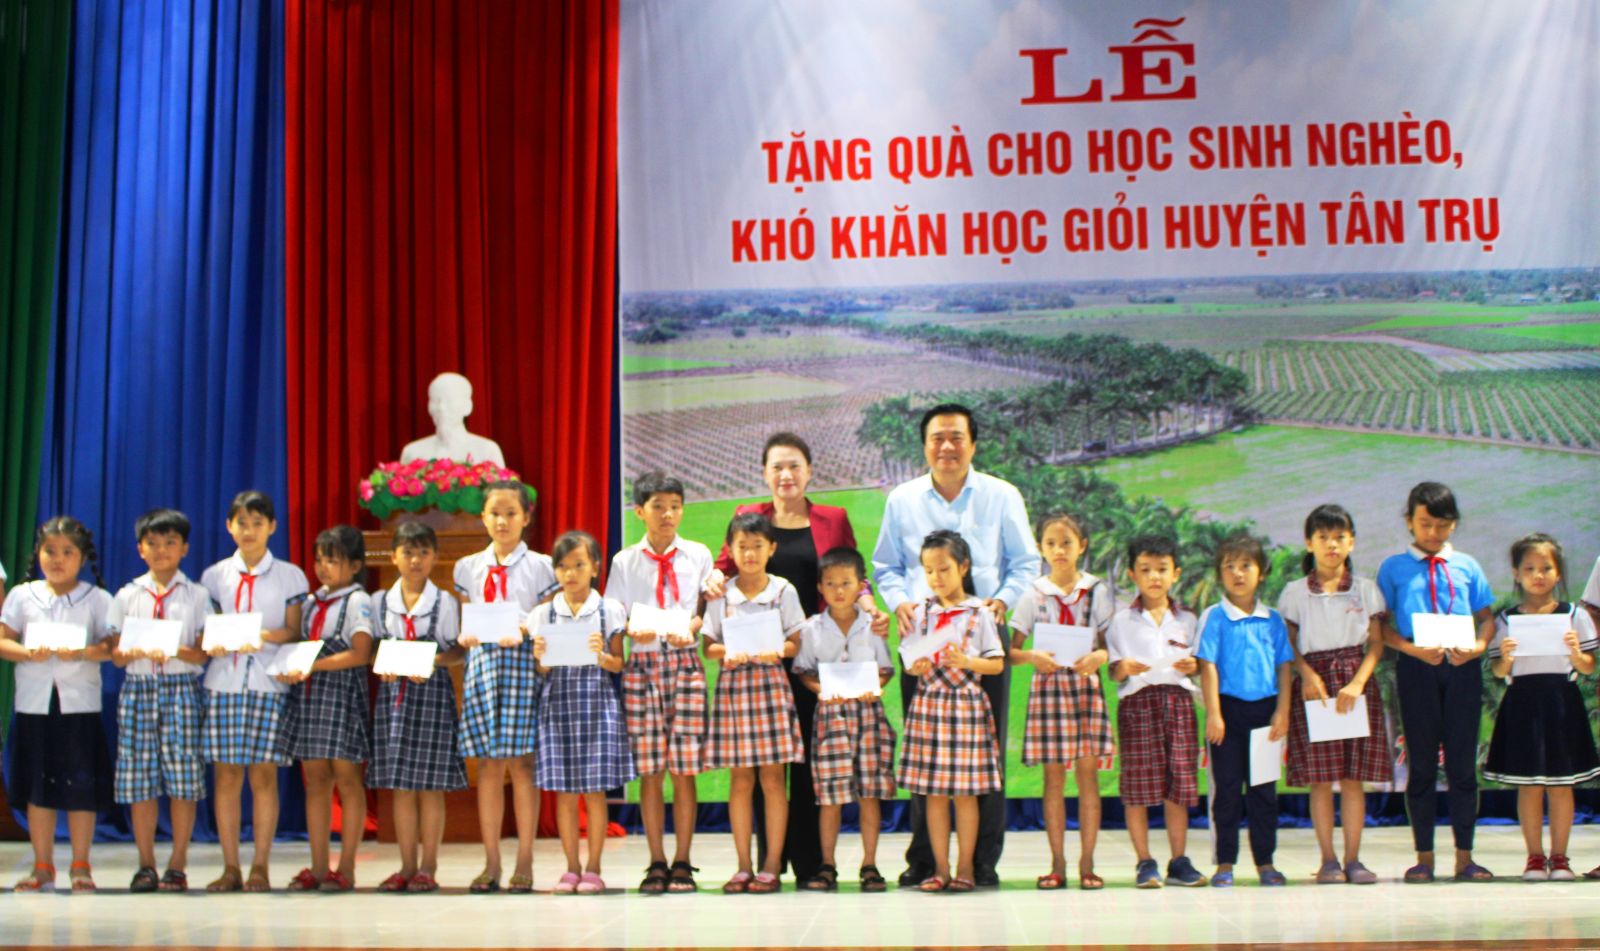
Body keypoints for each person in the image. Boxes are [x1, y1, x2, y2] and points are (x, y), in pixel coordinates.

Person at [872, 403, 1039, 887]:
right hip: (922, 637)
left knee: (983, 752)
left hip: (983, 629)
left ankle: (980, 861)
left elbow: (1025, 562)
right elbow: (885, 565)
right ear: (925, 445)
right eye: (937, 438)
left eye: (956, 437)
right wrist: (901, 601)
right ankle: (927, 860)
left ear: (973, 443)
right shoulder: (903, 499)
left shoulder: (1001, 495)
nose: (947, 446)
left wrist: (1002, 603)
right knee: (926, 751)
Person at [708, 432, 882, 886]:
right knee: (766, 762)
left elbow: (852, 574)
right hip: (758, 662)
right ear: (765, 474)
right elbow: (727, 570)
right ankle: (769, 862)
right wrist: (710, 576)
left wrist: (869, 608)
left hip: (813, 656)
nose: (786, 475)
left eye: (795, 466)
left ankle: (810, 863)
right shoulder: (750, 520)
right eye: (777, 467)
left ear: (809, 472)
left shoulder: (833, 517)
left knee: (809, 758)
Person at [1377, 481, 1496, 883]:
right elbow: (1381, 628)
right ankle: (1424, 857)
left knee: (1463, 766)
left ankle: (1465, 857)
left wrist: (1478, 647)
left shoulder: (1466, 566)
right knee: (1422, 765)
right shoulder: (1393, 567)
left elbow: (1487, 616)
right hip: (1416, 669)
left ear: (1454, 525)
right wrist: (1411, 651)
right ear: (1409, 521)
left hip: (1462, 669)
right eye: (1425, 524)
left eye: (1442, 526)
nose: (1433, 534)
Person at [606, 471, 714, 893]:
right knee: (650, 771)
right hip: (643, 668)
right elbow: (615, 610)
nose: (668, 514)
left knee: (684, 769)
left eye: (674, 505)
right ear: (639, 511)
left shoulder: (698, 555)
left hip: (685, 665)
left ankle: (684, 860)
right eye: (658, 506)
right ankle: (655, 860)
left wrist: (693, 625)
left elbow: (705, 610)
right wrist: (632, 627)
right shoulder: (624, 561)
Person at [0, 516, 119, 892]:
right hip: (34, 702)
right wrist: (26, 652)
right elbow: (3, 640)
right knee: (38, 785)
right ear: (38, 553)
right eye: (49, 551)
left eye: (68, 552)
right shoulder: (22, 595)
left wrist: (82, 651)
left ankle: (81, 865)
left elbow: (111, 648)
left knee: (80, 783)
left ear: (82, 558)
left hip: (79, 704)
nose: (57, 559)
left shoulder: (97, 598)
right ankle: (42, 866)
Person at [199, 490, 308, 892]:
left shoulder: (289, 575)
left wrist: (258, 635)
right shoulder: (213, 576)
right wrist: (215, 640)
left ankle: (260, 864)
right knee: (226, 776)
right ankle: (230, 867)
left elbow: (293, 630)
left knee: (263, 776)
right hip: (223, 682)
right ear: (229, 526)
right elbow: (206, 631)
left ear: (272, 527)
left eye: (257, 523)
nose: (249, 531)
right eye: (241, 523)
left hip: (267, 681)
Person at [454, 478, 558, 894]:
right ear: (483, 517)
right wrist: (467, 634)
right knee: (489, 767)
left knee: (523, 765)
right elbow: (467, 618)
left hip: (522, 666)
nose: (502, 521)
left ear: (526, 518)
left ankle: (526, 859)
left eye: (511, 513)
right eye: (495, 513)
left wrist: (524, 626)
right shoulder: (467, 567)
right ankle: (491, 861)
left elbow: (548, 618)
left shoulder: (541, 566)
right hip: (482, 668)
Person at [1279, 504, 1389, 885]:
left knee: (1354, 778)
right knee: (1321, 778)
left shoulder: (1366, 589)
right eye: (1323, 537)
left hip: (1354, 684)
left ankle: (1354, 859)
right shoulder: (1294, 592)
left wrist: (1358, 683)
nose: (1332, 545)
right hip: (1315, 689)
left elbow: (1376, 645)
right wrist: (1307, 675)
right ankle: (1328, 860)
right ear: (1309, 543)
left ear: (1352, 542)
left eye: (1339, 537)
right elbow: (1288, 644)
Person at [1482, 533, 1600, 881]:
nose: (1538, 575)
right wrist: (1505, 658)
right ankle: (1535, 857)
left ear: (1559, 573)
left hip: (1562, 702)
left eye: (1546, 568)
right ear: (1516, 574)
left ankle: (1560, 858)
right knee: (1530, 785)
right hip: (1523, 703)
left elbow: (1588, 666)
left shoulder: (1574, 615)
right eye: (1529, 568)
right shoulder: (1507, 619)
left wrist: (1577, 654)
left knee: (1561, 785)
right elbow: (1499, 671)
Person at [1008, 513, 1114, 890]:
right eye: (1051, 543)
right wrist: (1034, 657)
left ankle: (1088, 862)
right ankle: (1057, 863)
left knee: (1088, 776)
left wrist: (1098, 658)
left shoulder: (1096, 591)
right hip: (1050, 690)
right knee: (1053, 779)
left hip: (1085, 688)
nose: (1059, 550)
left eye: (1067, 542)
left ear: (1082, 546)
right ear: (1040, 548)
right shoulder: (1032, 593)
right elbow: (1011, 650)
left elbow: (1110, 644)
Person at [702, 512, 807, 893]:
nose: (749, 553)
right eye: (742, 546)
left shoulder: (783, 591)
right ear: (730, 550)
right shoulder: (722, 594)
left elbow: (797, 641)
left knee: (774, 779)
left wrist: (777, 649)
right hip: (734, 691)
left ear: (771, 548)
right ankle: (743, 866)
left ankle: (772, 864)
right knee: (741, 780)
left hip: (771, 689)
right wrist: (726, 652)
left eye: (757, 546)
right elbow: (708, 646)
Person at [896, 530, 1006, 893]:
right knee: (934, 793)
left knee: (966, 793)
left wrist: (967, 660)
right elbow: (909, 658)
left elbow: (997, 664)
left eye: (943, 569)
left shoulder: (980, 613)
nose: (936, 578)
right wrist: (917, 666)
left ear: (963, 566)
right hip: (930, 705)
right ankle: (939, 869)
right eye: (929, 570)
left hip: (966, 707)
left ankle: (966, 869)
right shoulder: (922, 612)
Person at [110, 508, 211, 892]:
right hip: (137, 690)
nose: (161, 550)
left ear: (184, 548)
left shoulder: (198, 595)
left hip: (181, 690)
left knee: (183, 777)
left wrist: (171, 649)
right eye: (152, 543)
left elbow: (203, 653)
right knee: (139, 779)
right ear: (140, 549)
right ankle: (146, 864)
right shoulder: (127, 594)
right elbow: (116, 654)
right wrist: (133, 650)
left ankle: (178, 863)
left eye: (170, 542)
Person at [532, 531, 635, 894]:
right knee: (563, 792)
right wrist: (541, 658)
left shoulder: (609, 609)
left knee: (594, 793)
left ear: (595, 567)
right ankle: (571, 867)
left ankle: (593, 867)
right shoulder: (543, 612)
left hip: (597, 705)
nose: (570, 574)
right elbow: (542, 670)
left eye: (578, 564)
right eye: (562, 566)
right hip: (558, 707)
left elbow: (620, 664)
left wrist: (603, 656)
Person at [792, 547, 896, 893]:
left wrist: (876, 687)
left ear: (860, 586)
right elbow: (803, 669)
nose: (839, 590)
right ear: (820, 586)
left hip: (868, 716)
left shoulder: (874, 627)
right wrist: (819, 688)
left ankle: (870, 864)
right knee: (830, 796)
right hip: (831, 717)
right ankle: (828, 865)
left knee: (869, 792)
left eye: (846, 583)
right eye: (831, 583)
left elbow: (886, 669)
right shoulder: (812, 628)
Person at [1106, 534, 1207, 889]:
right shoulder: (1122, 621)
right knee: (1138, 785)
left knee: (1177, 783)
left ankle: (1179, 861)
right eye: (1146, 570)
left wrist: (1193, 664)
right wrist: (1123, 668)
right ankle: (1144, 861)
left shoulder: (1188, 620)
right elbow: (1114, 669)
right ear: (1132, 574)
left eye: (1162, 570)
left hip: (1178, 704)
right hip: (1138, 704)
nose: (1154, 577)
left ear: (1175, 573)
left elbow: (1198, 664)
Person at [371, 521, 467, 893]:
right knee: (401, 787)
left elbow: (458, 651)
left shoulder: (444, 602)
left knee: (430, 787)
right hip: (394, 698)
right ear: (394, 556)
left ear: (435, 558)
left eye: (423, 552)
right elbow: (375, 649)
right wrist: (388, 664)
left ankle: (428, 866)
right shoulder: (381, 601)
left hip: (431, 696)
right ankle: (405, 865)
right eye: (408, 552)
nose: (415, 560)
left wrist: (431, 662)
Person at [279, 525, 375, 892]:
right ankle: (318, 866)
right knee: (315, 779)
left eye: (332, 561)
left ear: (353, 565)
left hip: (340, 692)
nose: (323, 568)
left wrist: (313, 665)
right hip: (310, 695)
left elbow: (361, 653)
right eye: (319, 560)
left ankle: (346, 867)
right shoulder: (310, 601)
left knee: (348, 779)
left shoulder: (356, 601)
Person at [1196, 534, 1294, 888]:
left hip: (1265, 714)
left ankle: (1266, 862)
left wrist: (1282, 711)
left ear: (1262, 572)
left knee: (1264, 791)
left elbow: (1285, 666)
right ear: (1220, 573)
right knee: (1225, 791)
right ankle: (1224, 862)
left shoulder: (1273, 620)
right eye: (1229, 567)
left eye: (1246, 566)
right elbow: (1207, 665)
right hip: (1228, 713)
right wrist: (1214, 714)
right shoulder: (1215, 617)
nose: (1238, 574)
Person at [399, 371, 506, 465]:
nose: (441, 408)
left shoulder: (486, 450)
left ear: (468, 406)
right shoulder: (412, 452)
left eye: (449, 400)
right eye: (435, 401)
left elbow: (502, 488)